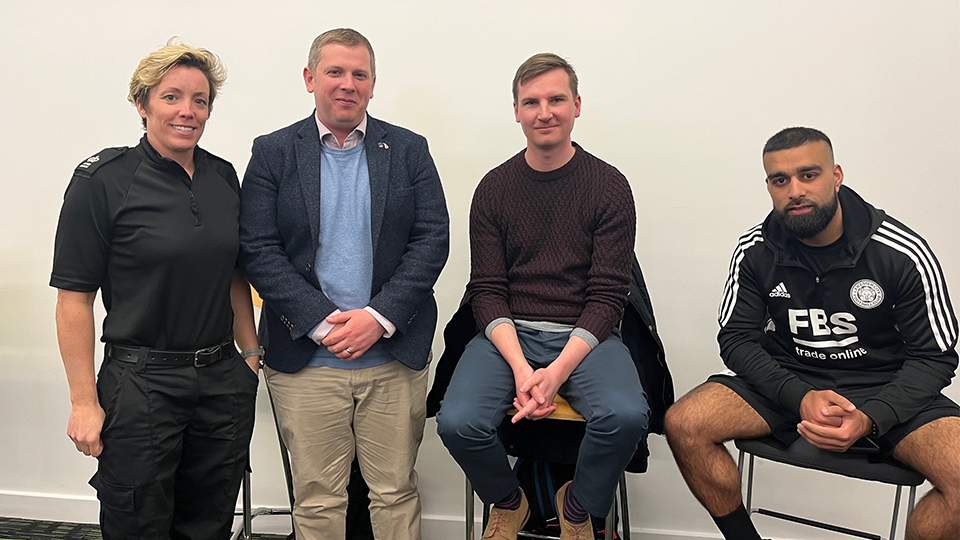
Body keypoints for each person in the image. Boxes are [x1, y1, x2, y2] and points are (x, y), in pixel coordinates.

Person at [665, 127, 959, 540]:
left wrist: (872, 417)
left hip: (884, 389)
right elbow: (736, 339)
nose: (794, 190)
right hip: (789, 384)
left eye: (809, 175)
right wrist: (799, 396)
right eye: (780, 180)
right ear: (768, 185)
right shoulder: (755, 249)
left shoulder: (901, 251)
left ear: (836, 176)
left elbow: (936, 356)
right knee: (685, 422)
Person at [238, 28, 449, 540]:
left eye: (359, 74)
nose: (347, 84)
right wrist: (319, 322)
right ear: (310, 79)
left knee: (395, 493)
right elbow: (257, 248)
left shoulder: (408, 149)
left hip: (393, 357)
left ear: (374, 84)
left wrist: (376, 320)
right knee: (317, 501)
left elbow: (432, 241)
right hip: (306, 358)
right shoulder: (273, 152)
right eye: (335, 71)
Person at [51, 39, 260, 540]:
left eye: (200, 100)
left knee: (208, 523)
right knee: (138, 523)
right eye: (171, 97)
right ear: (142, 103)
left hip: (220, 383)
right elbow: (74, 298)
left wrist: (249, 353)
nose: (187, 111)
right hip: (140, 384)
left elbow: (234, 271)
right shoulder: (102, 181)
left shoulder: (223, 176)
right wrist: (84, 402)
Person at [436, 53, 649, 540]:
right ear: (515, 111)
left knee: (627, 416)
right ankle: (511, 502)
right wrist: (521, 367)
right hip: (508, 336)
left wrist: (554, 373)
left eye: (556, 99)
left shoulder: (609, 186)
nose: (544, 112)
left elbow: (608, 294)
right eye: (531, 102)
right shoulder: (494, 188)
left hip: (585, 336)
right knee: (457, 422)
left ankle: (576, 507)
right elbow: (487, 290)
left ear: (577, 105)